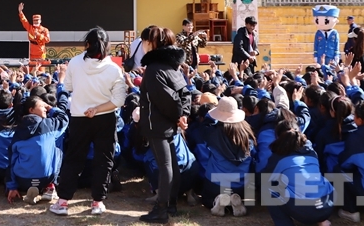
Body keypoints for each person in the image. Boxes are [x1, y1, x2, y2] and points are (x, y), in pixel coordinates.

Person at [50, 27, 126, 217]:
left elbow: (68, 87)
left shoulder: (75, 62)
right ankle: (97, 202)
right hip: (106, 117)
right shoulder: (114, 69)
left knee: (74, 159)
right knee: (104, 160)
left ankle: (63, 202)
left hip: (79, 117)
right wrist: (98, 109)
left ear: (87, 44)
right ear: (107, 45)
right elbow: (119, 100)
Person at [138, 26, 192, 223]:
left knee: (165, 166)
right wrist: (183, 115)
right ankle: (171, 205)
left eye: (144, 41)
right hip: (170, 123)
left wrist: (178, 116)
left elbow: (166, 99)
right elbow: (185, 93)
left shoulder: (154, 69)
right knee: (172, 165)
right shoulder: (173, 66)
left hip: (157, 124)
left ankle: (161, 209)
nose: (142, 45)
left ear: (151, 43)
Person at [263, 120, 334, 226]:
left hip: (304, 211)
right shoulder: (312, 152)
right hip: (327, 205)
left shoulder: (278, 157)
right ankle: (322, 220)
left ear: (278, 136)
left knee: (269, 188)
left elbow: (266, 178)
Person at [5, 89, 70, 205]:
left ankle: (26, 188)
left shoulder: (18, 130)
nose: (45, 108)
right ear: (31, 110)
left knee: (16, 156)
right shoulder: (48, 124)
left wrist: (12, 186)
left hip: (22, 179)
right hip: (46, 178)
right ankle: (50, 186)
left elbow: (11, 161)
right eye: (42, 106)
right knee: (57, 151)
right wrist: (51, 108)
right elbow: (64, 118)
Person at [194, 96, 255, 217]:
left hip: (216, 183)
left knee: (206, 199)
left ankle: (218, 201)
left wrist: (212, 115)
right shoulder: (247, 133)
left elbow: (204, 124)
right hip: (242, 185)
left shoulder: (212, 133)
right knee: (245, 195)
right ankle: (238, 202)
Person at [18, 3, 50, 68]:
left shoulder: (45, 30)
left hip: (40, 53)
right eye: (34, 20)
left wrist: (39, 35)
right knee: (30, 69)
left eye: (37, 20)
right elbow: (24, 21)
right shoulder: (30, 28)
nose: (36, 22)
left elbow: (47, 40)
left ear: (40, 21)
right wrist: (20, 12)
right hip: (31, 52)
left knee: (40, 70)